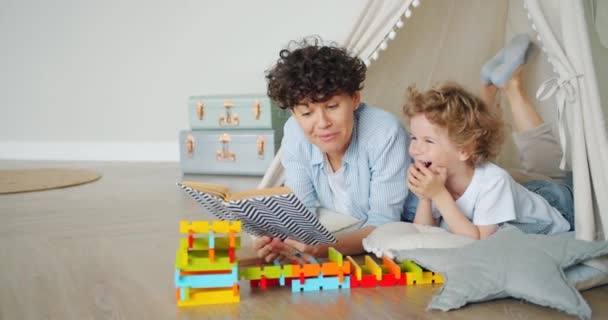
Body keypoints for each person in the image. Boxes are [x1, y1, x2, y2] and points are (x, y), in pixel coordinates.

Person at [253, 36, 411, 261]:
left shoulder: (384, 132)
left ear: (355, 99)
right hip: (353, 224)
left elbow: (384, 224)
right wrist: (279, 240)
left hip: (405, 228)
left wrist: (324, 247)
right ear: (294, 113)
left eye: (332, 106)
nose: (323, 123)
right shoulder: (295, 133)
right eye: (306, 113)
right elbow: (301, 209)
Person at [404, 61, 574, 239]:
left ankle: (510, 88)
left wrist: (438, 195)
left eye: (429, 141)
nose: (415, 149)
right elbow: (423, 233)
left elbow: (478, 241)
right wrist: (425, 197)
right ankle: (492, 87)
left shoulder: (493, 181)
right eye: (413, 137)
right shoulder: (437, 180)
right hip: (509, 201)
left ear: (463, 150)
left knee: (557, 176)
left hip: (557, 213)